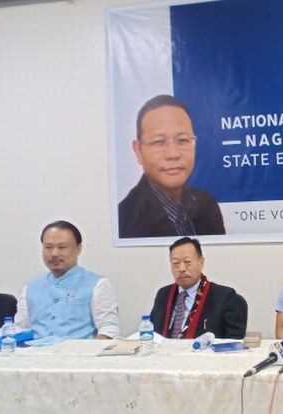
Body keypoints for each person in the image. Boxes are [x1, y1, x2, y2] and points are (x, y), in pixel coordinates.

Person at [118, 95, 225, 238]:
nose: (173, 154)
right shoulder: (125, 220)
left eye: (182, 140)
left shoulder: (207, 205)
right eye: (159, 142)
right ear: (138, 151)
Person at [15, 221, 120, 339]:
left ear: (78, 248)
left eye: (62, 247)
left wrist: (91, 355)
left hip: (80, 355)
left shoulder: (98, 284)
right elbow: (20, 330)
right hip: (34, 355)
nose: (54, 253)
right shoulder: (29, 289)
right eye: (48, 247)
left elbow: (108, 329)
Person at [150, 237, 248, 339]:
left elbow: (233, 343)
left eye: (187, 262)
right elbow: (151, 334)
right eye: (176, 263)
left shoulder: (225, 297)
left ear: (201, 262)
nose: (181, 269)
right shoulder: (163, 294)